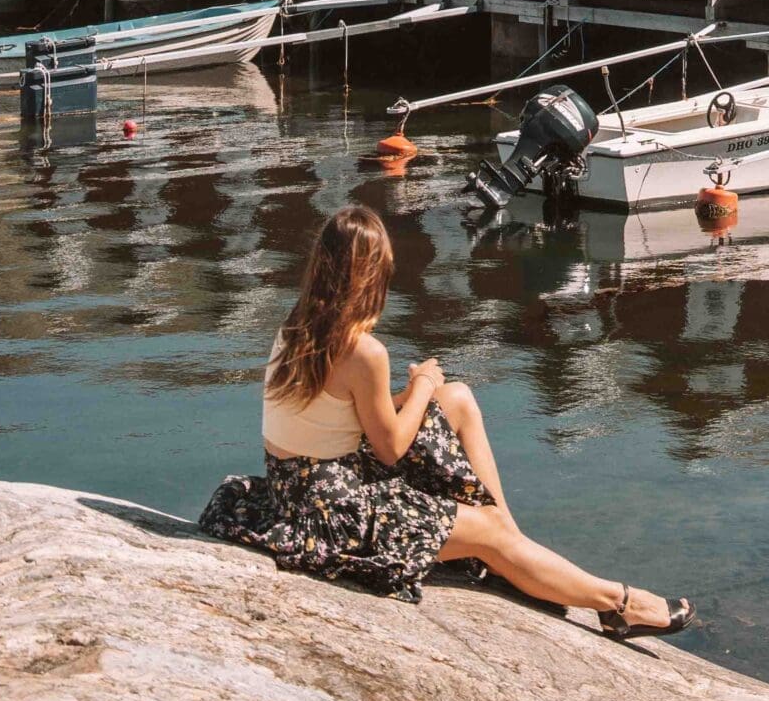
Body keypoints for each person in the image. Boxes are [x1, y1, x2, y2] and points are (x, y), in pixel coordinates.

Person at [201, 202, 691, 638]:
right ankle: (618, 603)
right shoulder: (364, 350)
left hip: (295, 487)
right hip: (334, 512)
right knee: (487, 524)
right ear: (371, 277)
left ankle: (509, 547)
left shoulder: (298, 324)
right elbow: (390, 448)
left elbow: (336, 409)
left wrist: (431, 393)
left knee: (458, 398)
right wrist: (420, 387)